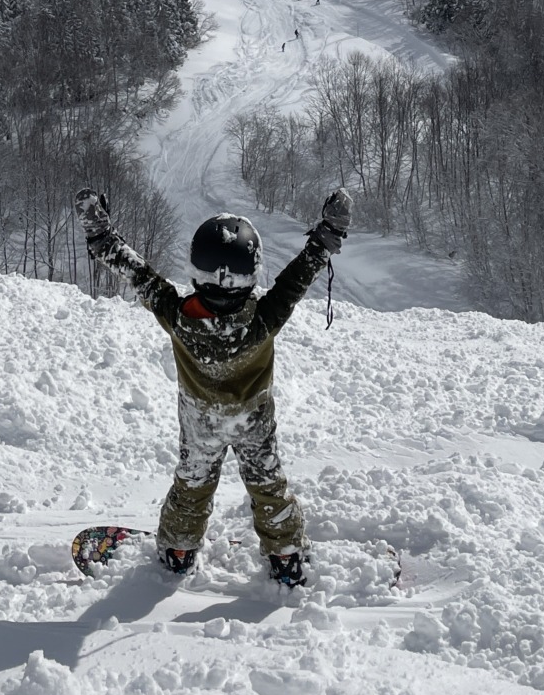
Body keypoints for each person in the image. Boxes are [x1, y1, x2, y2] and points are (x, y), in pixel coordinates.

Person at [74, 190, 351, 587]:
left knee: (192, 487)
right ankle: (286, 557)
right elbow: (297, 278)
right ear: (251, 273)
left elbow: (139, 275)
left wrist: (102, 236)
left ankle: (179, 551)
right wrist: (328, 234)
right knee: (268, 487)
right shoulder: (264, 318)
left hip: (200, 423)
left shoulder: (178, 316)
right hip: (254, 422)